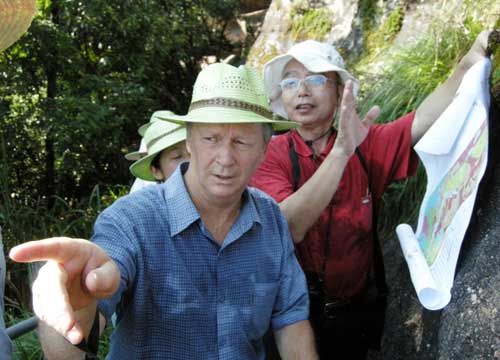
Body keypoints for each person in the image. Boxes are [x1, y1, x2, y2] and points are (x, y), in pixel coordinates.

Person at [10, 63, 319, 359]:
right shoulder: (132, 221)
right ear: (190, 141)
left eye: (242, 141)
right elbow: (67, 347)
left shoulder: (271, 219)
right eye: (211, 139)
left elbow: (290, 319)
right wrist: (74, 299)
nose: (225, 157)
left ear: (264, 150)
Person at [250, 30, 493, 359]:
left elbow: (421, 120)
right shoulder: (271, 155)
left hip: (355, 316)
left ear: (340, 91)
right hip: (292, 320)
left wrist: (469, 62)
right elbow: (290, 225)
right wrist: (341, 152)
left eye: (316, 79)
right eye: (290, 81)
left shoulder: (365, 145)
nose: (301, 91)